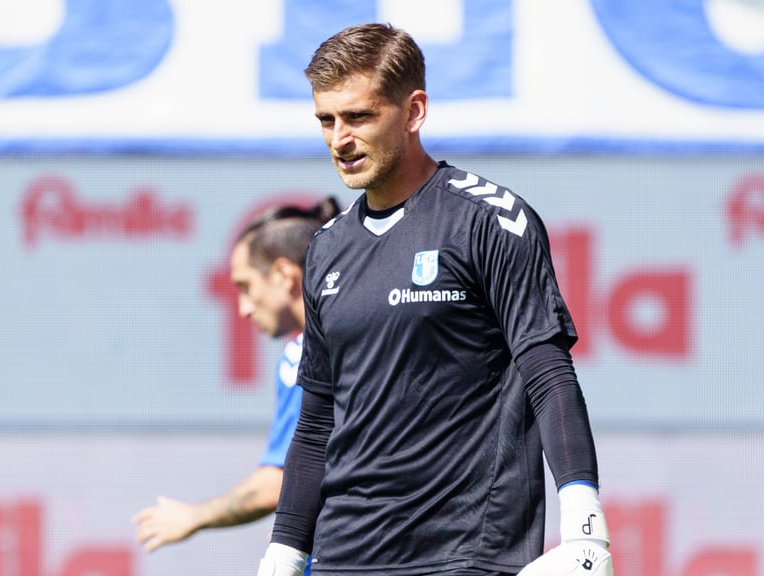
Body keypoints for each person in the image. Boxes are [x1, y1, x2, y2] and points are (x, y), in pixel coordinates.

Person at [256, 22, 613, 576]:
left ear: (414, 111)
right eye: (326, 120)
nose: (338, 139)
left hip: (464, 551)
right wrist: (284, 550)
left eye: (358, 117)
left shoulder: (490, 221)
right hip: (343, 555)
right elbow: (317, 418)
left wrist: (586, 522)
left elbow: (548, 375)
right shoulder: (326, 250)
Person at [132, 197, 340, 564]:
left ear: (284, 276)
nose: (243, 308)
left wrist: (194, 516)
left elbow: (280, 481)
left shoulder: (303, 356)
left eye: (245, 286)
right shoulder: (354, 339)